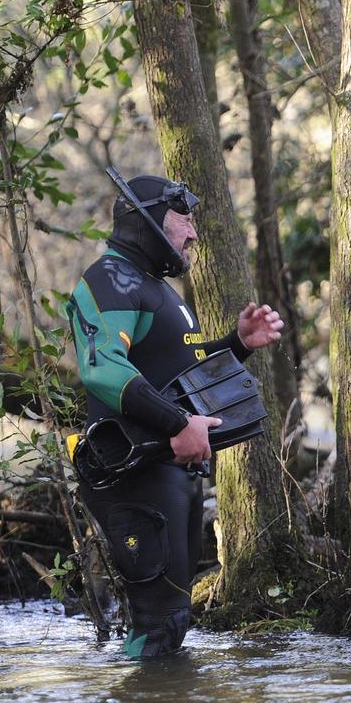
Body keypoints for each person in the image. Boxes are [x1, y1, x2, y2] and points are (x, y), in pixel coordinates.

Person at [67, 174, 284, 658]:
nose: (193, 233)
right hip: (134, 474)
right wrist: (178, 424)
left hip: (169, 469)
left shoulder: (155, 288)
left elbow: (174, 369)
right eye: (184, 219)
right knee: (159, 621)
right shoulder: (111, 278)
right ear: (147, 220)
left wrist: (237, 344)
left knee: (174, 619)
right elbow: (102, 368)